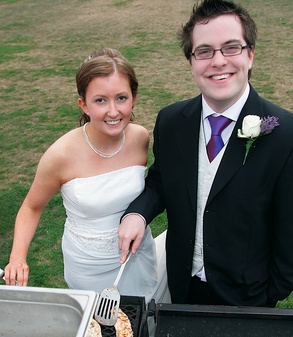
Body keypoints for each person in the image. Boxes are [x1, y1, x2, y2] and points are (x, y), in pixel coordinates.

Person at [118, 0, 293, 307]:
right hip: (182, 287)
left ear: (250, 54)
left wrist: (273, 292)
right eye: (205, 51)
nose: (218, 61)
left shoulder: (284, 133)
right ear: (191, 61)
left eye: (231, 48)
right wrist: (137, 213)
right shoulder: (172, 121)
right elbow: (162, 180)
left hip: (248, 298)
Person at [4, 48, 169, 305]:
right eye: (100, 100)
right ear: (84, 104)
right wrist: (18, 257)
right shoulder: (61, 154)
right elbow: (31, 207)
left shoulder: (140, 138)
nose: (113, 111)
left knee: (143, 315)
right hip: (88, 266)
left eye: (121, 98)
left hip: (137, 255)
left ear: (133, 98)